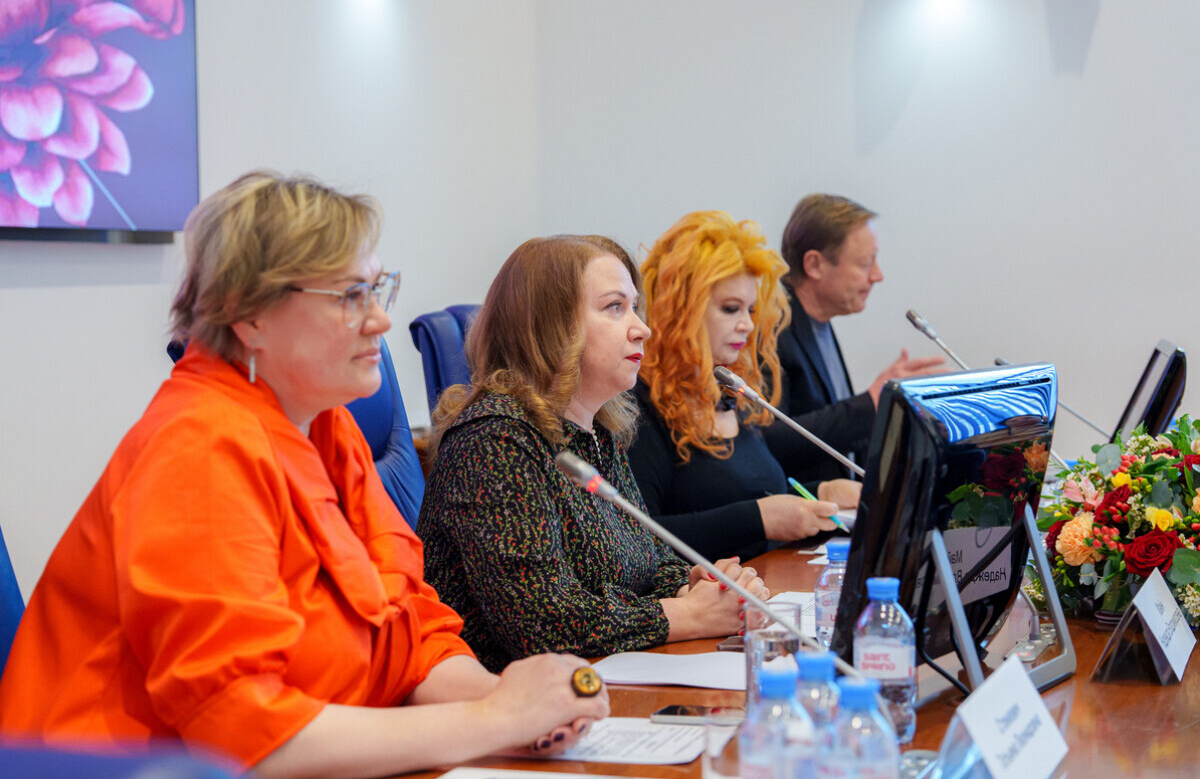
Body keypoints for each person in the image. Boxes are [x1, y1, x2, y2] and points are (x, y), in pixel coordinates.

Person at [0, 173, 608, 778]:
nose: (380, 320)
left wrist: (511, 701)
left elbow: (410, 627)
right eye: (350, 296)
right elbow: (249, 739)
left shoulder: (325, 425)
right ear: (248, 315)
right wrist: (493, 721)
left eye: (378, 290)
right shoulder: (197, 450)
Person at [417, 235, 766, 672]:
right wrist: (687, 615)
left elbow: (649, 563)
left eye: (634, 307)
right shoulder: (494, 440)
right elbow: (542, 623)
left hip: (603, 679)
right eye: (615, 307)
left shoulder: (596, 431)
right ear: (551, 327)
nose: (642, 328)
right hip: (508, 698)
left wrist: (696, 586)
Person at [629, 211, 858, 563]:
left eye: (750, 310)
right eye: (731, 308)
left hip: (769, 583)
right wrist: (759, 519)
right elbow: (640, 539)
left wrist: (824, 492)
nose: (747, 326)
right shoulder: (639, 405)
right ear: (681, 310)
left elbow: (752, 495)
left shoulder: (729, 391)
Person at [772, 194, 944, 484]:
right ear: (814, 265)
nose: (878, 275)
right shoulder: (772, 328)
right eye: (866, 263)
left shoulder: (818, 321)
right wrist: (869, 404)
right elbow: (768, 442)